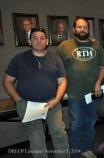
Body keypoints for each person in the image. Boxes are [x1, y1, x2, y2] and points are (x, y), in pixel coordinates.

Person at [3, 28, 69, 158]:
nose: (39, 41)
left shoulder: (55, 59)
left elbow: (62, 82)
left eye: (42, 38)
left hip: (52, 103)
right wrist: (19, 100)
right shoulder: (19, 59)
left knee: (59, 134)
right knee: (37, 139)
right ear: (29, 41)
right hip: (28, 104)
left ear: (47, 41)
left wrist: (56, 100)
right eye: (35, 38)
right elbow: (7, 81)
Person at [57, 17, 104, 158]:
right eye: (79, 27)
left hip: (93, 94)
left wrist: (98, 82)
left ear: (88, 29)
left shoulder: (96, 45)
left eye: (85, 27)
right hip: (74, 94)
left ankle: (86, 148)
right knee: (75, 125)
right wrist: (62, 87)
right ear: (74, 29)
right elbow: (57, 68)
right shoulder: (64, 46)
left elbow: (103, 66)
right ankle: (74, 153)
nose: (82, 29)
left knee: (90, 123)